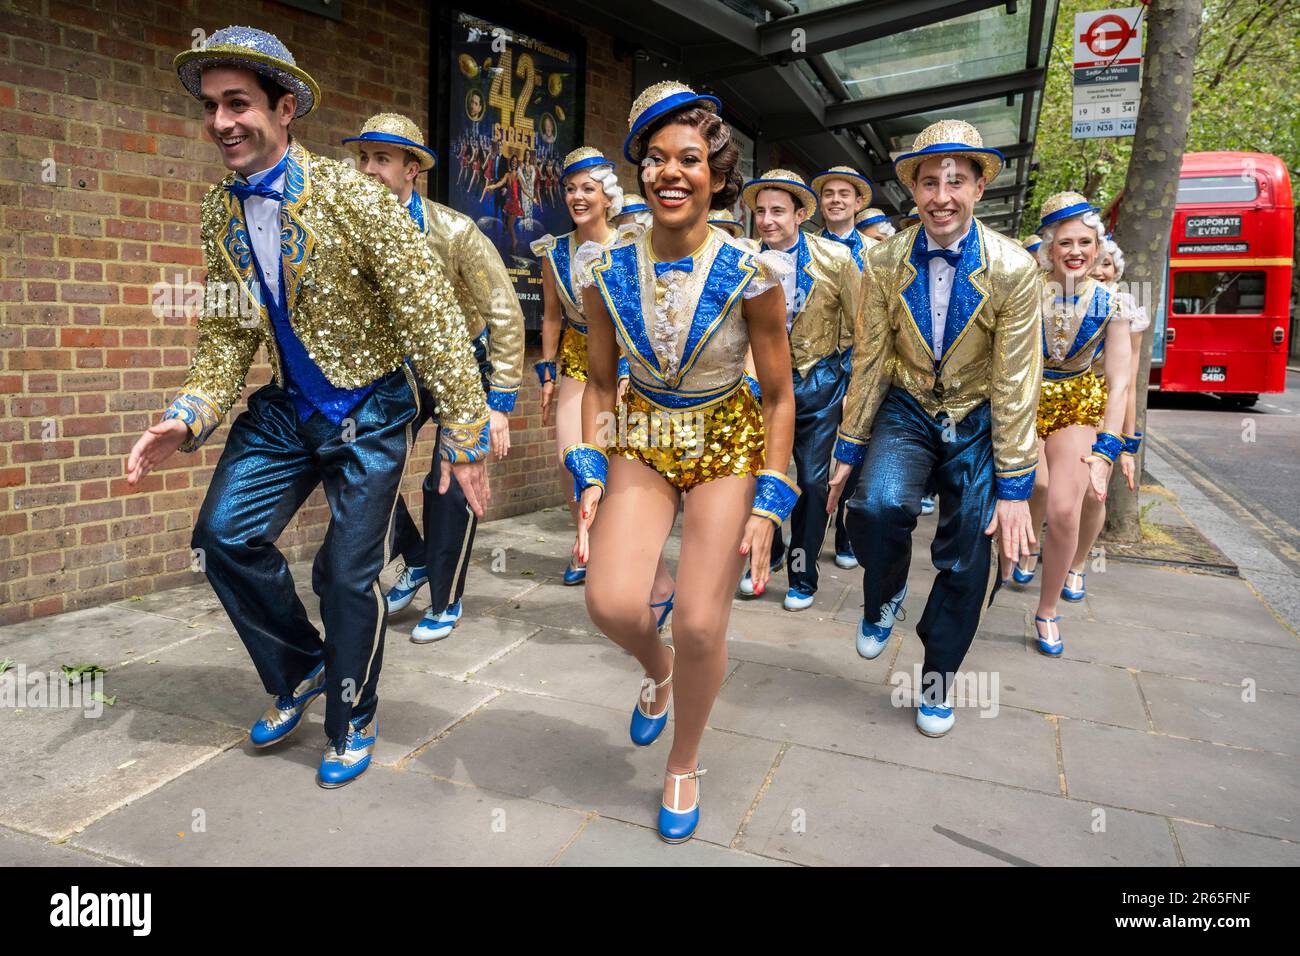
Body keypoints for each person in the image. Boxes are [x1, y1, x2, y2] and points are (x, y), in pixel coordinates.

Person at [126, 27, 491, 789]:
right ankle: (302, 668)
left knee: (348, 575)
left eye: (239, 103)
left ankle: (353, 714)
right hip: (289, 409)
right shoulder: (217, 213)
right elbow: (227, 329)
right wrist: (189, 413)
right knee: (223, 537)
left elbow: (430, 314)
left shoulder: (355, 195)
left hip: (371, 408)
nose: (222, 121)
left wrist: (465, 430)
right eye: (211, 106)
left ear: (284, 108)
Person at [571, 81, 796, 843]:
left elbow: (777, 395)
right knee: (608, 602)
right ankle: (658, 669)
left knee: (702, 621)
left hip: (728, 444)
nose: (672, 172)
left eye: (691, 159)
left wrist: (772, 496)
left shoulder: (754, 274)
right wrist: (592, 468)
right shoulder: (603, 272)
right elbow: (601, 382)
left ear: (718, 174)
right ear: (639, 170)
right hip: (643, 442)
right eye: (657, 158)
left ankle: (684, 759)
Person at [826, 119, 1042, 737]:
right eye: (929, 181)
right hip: (908, 405)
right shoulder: (885, 258)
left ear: (978, 188)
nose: (941, 194)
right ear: (914, 191)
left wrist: (1015, 485)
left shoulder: (1013, 268)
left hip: (980, 418)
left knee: (970, 556)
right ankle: (885, 594)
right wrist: (849, 444)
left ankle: (938, 676)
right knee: (872, 506)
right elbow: (868, 356)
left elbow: (1017, 381)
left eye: (956, 180)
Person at [342, 113, 525, 643]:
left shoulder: (455, 230)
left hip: (461, 367)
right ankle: (415, 558)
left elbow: (505, 312)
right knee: (354, 463)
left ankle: (444, 600)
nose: (369, 169)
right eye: (363, 158)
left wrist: (500, 400)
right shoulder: (348, 230)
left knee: (447, 479)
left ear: (412, 169)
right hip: (392, 372)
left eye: (382, 159)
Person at [531, 149, 671, 600]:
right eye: (571, 189)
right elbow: (552, 317)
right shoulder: (554, 252)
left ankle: (624, 552)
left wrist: (639, 369)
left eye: (587, 189)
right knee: (569, 455)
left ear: (607, 196)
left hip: (628, 364)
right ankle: (584, 542)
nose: (577, 197)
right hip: (577, 357)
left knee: (619, 462)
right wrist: (548, 374)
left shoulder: (632, 246)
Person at [1014, 193, 1131, 655]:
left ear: (1099, 246)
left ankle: (1046, 611)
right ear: (1049, 247)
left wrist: (1108, 450)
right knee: (1033, 487)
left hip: (1077, 404)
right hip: (1021, 400)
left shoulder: (1115, 303)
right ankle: (1018, 552)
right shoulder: (1023, 290)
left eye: (1086, 241)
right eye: (1066, 242)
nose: (1076, 251)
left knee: (1066, 508)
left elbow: (1120, 384)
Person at [739, 169, 860, 611]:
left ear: (801, 214)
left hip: (818, 386)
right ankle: (762, 556)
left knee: (811, 481)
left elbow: (861, 330)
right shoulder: (742, 258)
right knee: (753, 477)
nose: (767, 221)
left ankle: (802, 573)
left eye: (777, 211)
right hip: (756, 389)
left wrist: (848, 386)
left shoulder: (837, 260)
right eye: (760, 212)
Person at [812, 165, 875, 570]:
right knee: (814, 463)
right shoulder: (804, 247)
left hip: (864, 365)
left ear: (857, 202)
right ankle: (808, 540)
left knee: (856, 453)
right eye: (829, 193)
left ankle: (848, 535)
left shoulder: (877, 253)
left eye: (843, 194)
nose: (835, 199)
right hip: (816, 368)